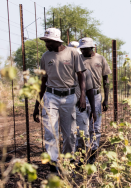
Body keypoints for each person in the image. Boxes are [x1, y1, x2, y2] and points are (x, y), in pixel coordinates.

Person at [33, 28, 86, 173]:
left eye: (48, 41)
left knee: (69, 133)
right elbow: (43, 82)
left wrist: (82, 96)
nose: (46, 44)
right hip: (51, 97)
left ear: (56, 41)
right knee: (50, 131)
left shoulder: (73, 53)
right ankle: (53, 164)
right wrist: (37, 104)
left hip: (69, 96)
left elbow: (81, 76)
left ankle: (69, 159)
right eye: (45, 41)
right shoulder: (45, 57)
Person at [78, 37, 111, 164]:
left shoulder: (100, 59)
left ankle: (93, 153)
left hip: (96, 95)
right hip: (81, 95)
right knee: (82, 128)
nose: (83, 51)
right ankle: (81, 155)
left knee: (94, 127)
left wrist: (106, 99)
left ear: (92, 48)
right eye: (82, 49)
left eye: (85, 49)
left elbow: (106, 79)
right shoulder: (78, 59)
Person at [67, 42, 97, 154]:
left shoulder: (85, 72)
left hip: (80, 107)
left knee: (83, 134)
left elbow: (90, 91)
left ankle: (84, 160)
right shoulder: (63, 71)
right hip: (67, 107)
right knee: (70, 135)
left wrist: (93, 110)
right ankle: (71, 161)